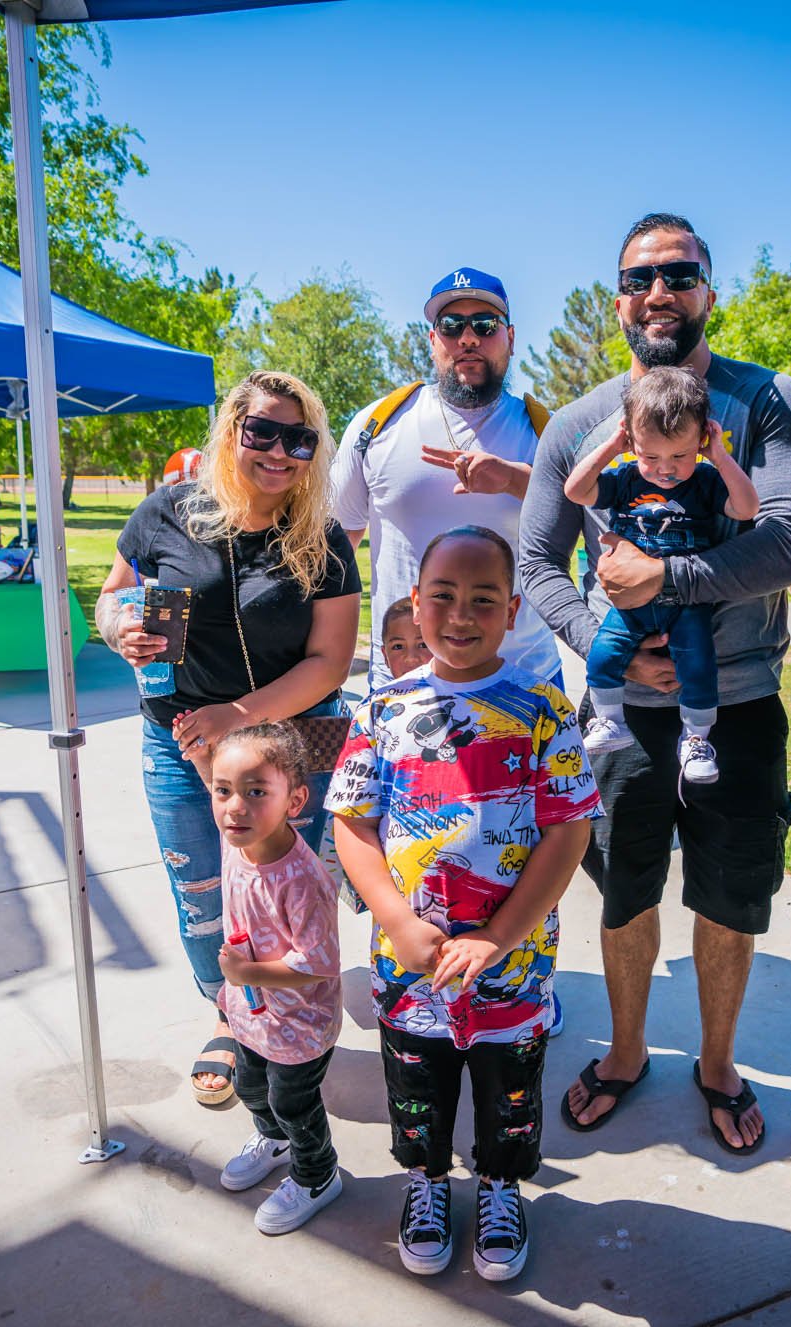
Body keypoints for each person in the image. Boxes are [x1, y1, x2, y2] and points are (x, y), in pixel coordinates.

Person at [520, 213, 791, 1153]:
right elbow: (538, 562)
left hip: (737, 705)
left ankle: (719, 1063)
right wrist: (603, 634)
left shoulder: (765, 402)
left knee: (731, 899)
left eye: (679, 275)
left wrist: (668, 581)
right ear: (618, 300)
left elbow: (790, 541)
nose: (660, 293)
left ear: (707, 290)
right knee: (623, 891)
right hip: (623, 713)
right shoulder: (578, 425)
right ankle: (623, 1052)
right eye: (640, 279)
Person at [328, 526, 600, 1283]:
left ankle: (501, 1186)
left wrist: (501, 936)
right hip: (408, 963)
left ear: (512, 610)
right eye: (442, 596)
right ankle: (425, 1183)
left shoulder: (544, 710)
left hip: (513, 965)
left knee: (509, 1089)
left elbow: (568, 830)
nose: (460, 613)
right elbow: (352, 826)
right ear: (414, 603)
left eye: (483, 599)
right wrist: (396, 920)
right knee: (416, 1082)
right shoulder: (382, 712)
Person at [97, 371, 362, 1107]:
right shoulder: (166, 515)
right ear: (232, 432)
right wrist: (119, 626)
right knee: (204, 897)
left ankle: (289, 1021)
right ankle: (232, 1018)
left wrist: (237, 716)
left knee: (281, 897)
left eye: (299, 438)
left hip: (290, 746)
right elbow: (113, 596)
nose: (280, 451)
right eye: (263, 433)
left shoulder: (323, 537)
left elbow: (330, 662)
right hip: (181, 745)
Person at [334, 267, 561, 690]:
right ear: (433, 340)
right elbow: (337, 543)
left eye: (485, 325)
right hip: (403, 685)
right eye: (451, 325)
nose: (468, 338)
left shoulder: (545, 432)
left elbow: (586, 521)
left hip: (526, 683)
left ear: (510, 338)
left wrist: (516, 480)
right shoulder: (377, 425)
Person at [565, 366, 759, 784]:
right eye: (651, 456)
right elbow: (576, 491)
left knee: (699, 667)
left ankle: (695, 738)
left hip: (685, 601)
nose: (665, 470)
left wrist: (719, 457)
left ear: (701, 442)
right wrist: (612, 447)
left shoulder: (705, 480)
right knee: (602, 655)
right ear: (632, 441)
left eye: (679, 456)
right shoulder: (625, 478)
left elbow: (746, 509)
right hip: (630, 603)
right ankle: (609, 720)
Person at [208, 723, 345, 1235]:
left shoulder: (303, 882)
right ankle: (275, 1140)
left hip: (300, 1022)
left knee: (293, 1101)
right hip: (251, 1012)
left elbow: (320, 963)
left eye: (256, 792)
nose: (235, 807)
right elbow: (219, 774)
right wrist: (204, 752)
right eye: (224, 792)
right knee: (248, 1084)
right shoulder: (237, 840)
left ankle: (317, 1173)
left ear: (295, 799)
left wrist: (246, 972)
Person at [377, 597, 432, 680]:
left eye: (423, 645)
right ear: (385, 656)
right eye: (398, 646)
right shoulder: (383, 693)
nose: (411, 658)